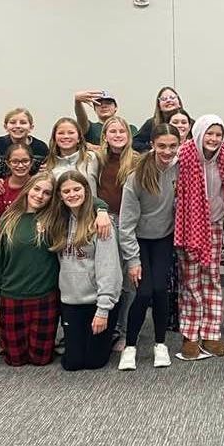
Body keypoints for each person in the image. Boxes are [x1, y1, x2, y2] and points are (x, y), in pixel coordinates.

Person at [174, 114, 224, 360]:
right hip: (188, 223)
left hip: (214, 222)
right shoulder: (184, 155)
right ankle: (190, 334)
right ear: (200, 133)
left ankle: (211, 333)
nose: (214, 139)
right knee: (190, 279)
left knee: (211, 277)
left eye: (218, 134)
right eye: (209, 134)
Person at [118, 123, 181, 370]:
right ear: (152, 144)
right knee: (143, 293)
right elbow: (126, 225)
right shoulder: (137, 177)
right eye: (162, 146)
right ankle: (130, 346)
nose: (167, 151)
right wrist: (133, 261)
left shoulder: (180, 169)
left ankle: (160, 344)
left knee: (160, 290)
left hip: (164, 239)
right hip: (139, 239)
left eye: (172, 146)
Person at [46, 171, 122, 371]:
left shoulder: (101, 224)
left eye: (77, 189)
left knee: (94, 363)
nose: (72, 194)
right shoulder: (57, 222)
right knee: (72, 363)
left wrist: (103, 310)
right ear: (60, 196)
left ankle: (111, 333)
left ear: (87, 192)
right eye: (66, 191)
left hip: (98, 301)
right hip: (71, 301)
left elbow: (109, 269)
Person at [0, 173, 60, 367]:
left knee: (41, 360)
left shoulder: (54, 219)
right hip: (12, 297)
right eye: (36, 189)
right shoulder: (8, 219)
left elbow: (86, 199)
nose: (40, 195)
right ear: (27, 189)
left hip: (44, 298)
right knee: (15, 360)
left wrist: (102, 210)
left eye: (47, 193)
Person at [95, 116, 139, 350]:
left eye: (122, 131)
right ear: (105, 135)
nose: (118, 134)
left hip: (129, 223)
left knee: (128, 280)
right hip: (104, 222)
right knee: (106, 277)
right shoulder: (97, 159)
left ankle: (123, 330)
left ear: (128, 135)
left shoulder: (137, 161)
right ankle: (105, 327)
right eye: (113, 131)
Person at [0, 107, 48, 191]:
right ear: (5, 126)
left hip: (29, 195)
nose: (18, 126)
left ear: (31, 127)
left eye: (23, 123)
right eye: (12, 122)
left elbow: (47, 172)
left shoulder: (41, 148)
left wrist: (47, 169)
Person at [40, 117, 99, 190]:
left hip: (92, 201)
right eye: (61, 133)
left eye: (71, 133)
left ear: (79, 138)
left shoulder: (92, 158)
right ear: (54, 138)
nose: (66, 136)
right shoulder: (49, 167)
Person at [73, 90, 138, 147]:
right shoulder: (90, 127)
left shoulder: (130, 128)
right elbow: (81, 118)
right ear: (94, 109)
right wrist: (78, 102)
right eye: (98, 104)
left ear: (116, 107)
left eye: (108, 103)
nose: (104, 106)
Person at [132, 86, 184, 152]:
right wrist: (154, 148)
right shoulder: (151, 123)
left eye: (172, 98)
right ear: (159, 105)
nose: (168, 100)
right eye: (164, 99)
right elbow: (135, 143)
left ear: (179, 102)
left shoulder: (190, 122)